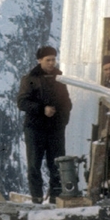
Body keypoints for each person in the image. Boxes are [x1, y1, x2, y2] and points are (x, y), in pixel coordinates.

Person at [17, 46, 72, 203]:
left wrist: (62, 121)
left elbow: (66, 102)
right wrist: (42, 109)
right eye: (48, 60)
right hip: (35, 128)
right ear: (39, 60)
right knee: (34, 164)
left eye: (53, 59)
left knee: (57, 165)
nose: (51, 63)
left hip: (55, 128)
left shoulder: (60, 79)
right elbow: (22, 102)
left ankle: (55, 199)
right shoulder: (30, 79)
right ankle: (37, 198)